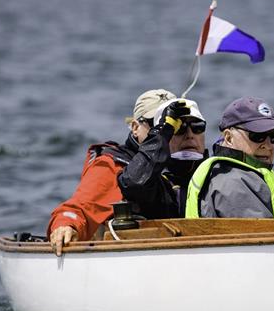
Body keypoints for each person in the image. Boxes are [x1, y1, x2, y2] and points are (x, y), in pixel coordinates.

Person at [48, 89, 206, 254]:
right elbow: (80, 207)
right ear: (135, 128)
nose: (168, 130)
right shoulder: (114, 165)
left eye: (174, 124)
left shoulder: (187, 162)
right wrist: (66, 225)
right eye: (158, 123)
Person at [185, 96, 274, 219]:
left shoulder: (248, 175)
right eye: (257, 135)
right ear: (228, 138)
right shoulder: (232, 182)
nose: (268, 145)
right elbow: (262, 234)